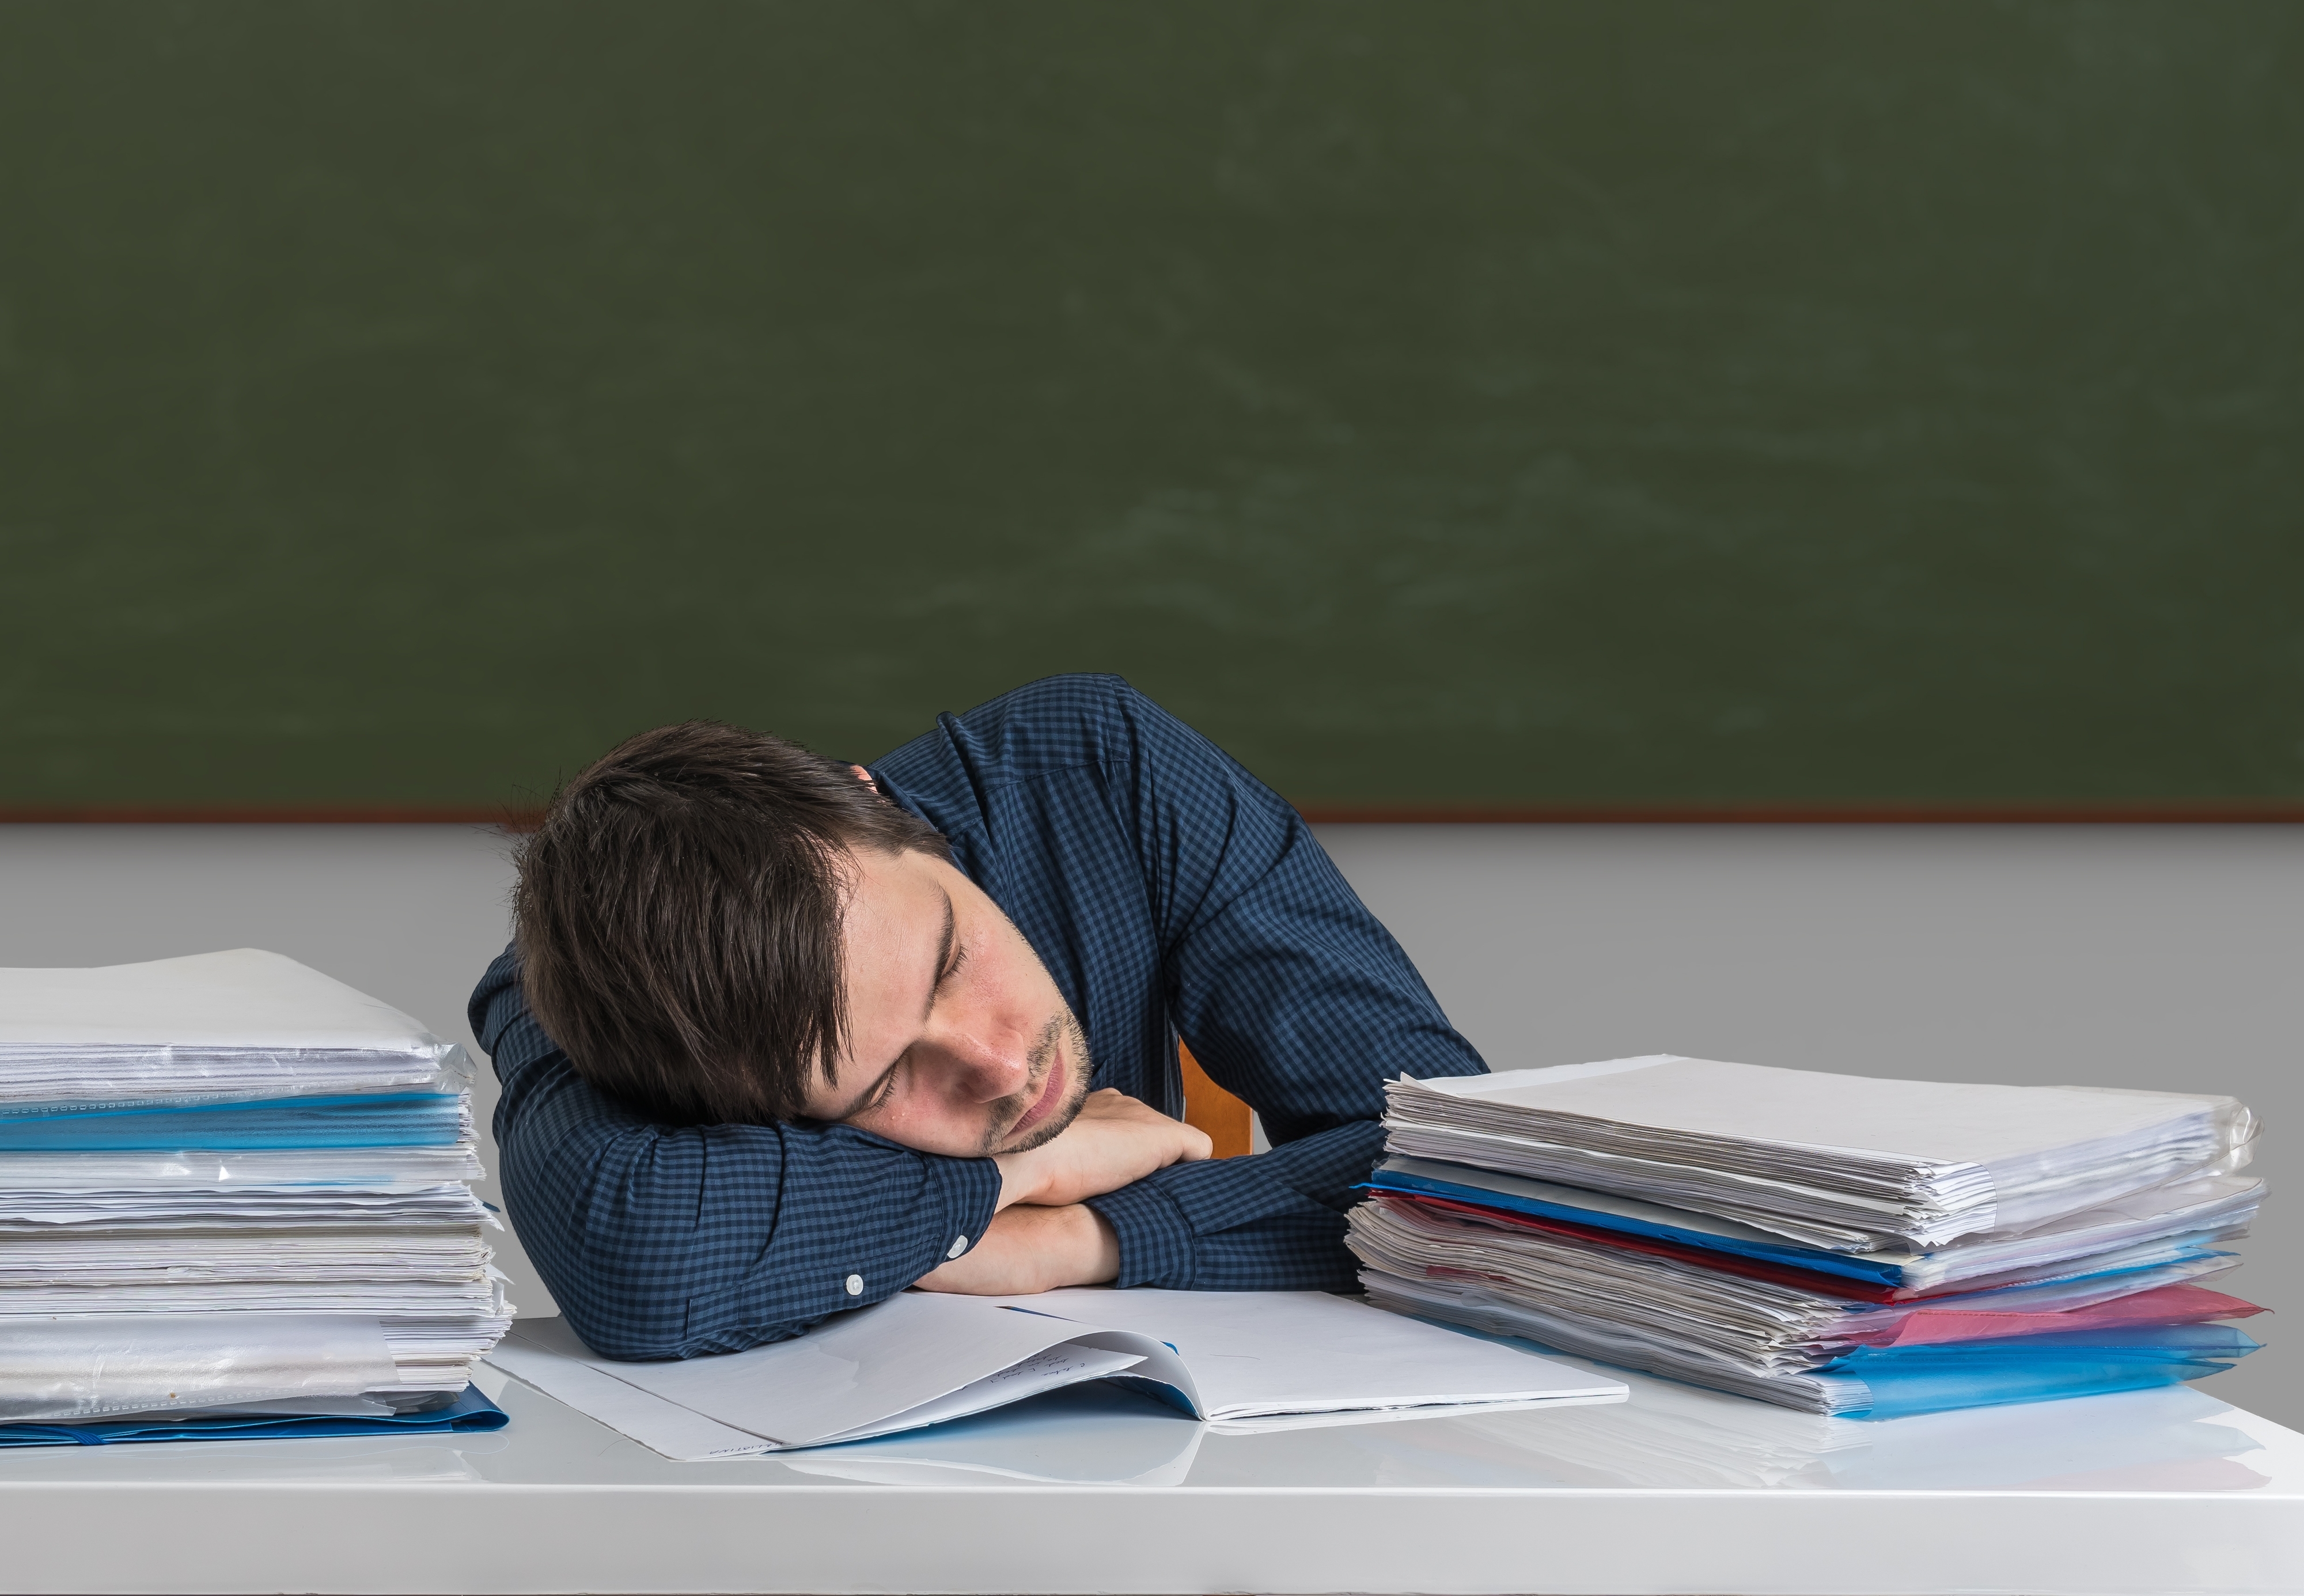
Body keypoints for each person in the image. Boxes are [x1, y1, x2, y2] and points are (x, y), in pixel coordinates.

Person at [469, 674, 1487, 1359]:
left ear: (875, 804)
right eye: (882, 1085)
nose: (998, 1067)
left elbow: (1472, 1182)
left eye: (951, 960)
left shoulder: (1103, 770)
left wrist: (1084, 1238)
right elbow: (638, 1253)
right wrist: (1017, 1175)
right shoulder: (612, 997)